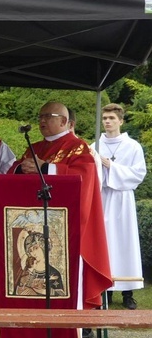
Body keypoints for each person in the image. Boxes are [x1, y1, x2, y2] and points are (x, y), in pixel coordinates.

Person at [9, 101, 112, 311]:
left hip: (65, 224)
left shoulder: (78, 147)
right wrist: (21, 169)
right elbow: (13, 171)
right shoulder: (35, 147)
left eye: (48, 116)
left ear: (64, 121)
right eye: (40, 117)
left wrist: (46, 167)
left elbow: (83, 177)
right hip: (33, 218)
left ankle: (71, 320)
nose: (42, 121)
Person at [90, 103, 146, 310]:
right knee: (103, 242)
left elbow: (138, 174)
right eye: (105, 118)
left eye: (112, 118)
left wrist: (111, 166)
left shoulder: (133, 146)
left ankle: (127, 293)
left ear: (120, 121)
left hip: (122, 199)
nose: (107, 121)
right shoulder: (94, 145)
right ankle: (104, 290)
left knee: (123, 242)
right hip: (102, 197)